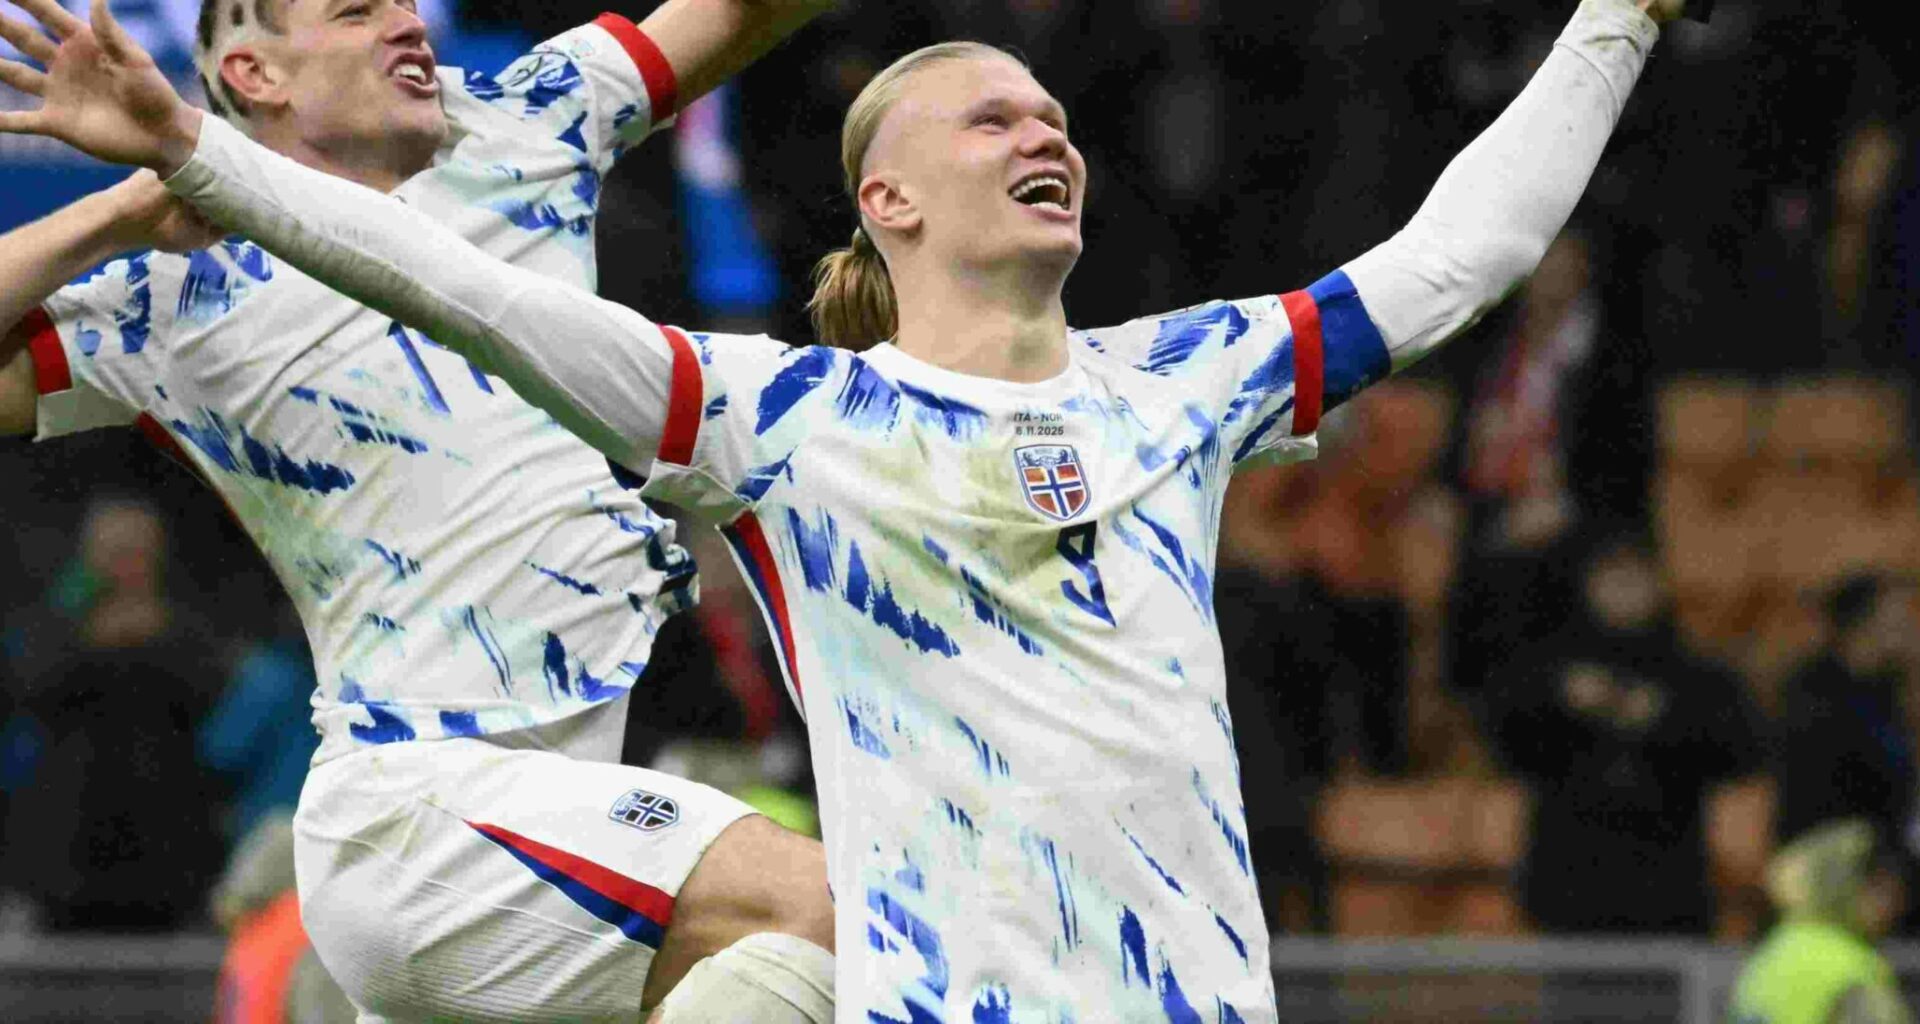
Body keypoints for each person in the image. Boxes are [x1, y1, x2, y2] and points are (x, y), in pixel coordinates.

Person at [0, 0, 1693, 1016]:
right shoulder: (786, 423)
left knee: (777, 972)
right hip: (440, 800)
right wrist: (185, 170)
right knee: (812, 924)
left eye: (1052, 113)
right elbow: (464, 297)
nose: (1041, 128)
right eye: (990, 111)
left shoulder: (1183, 383)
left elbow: (1456, 258)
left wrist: (1616, 18)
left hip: (1173, 993)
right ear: (887, 195)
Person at [0, 0, 839, 1020]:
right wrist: (113, 214)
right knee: (840, 917)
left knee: (795, 972)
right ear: (258, 76)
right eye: (358, 11)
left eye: (404, 3)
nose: (407, 23)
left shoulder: (524, 118)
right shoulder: (179, 292)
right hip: (419, 816)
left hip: (559, 825)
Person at [1482, 524, 1763, 934]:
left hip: (1667, 890)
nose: (1623, 590)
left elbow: (1743, 752)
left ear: (1659, 584)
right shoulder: (1548, 669)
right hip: (1569, 890)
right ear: (1587, 585)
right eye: (1610, 577)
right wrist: (1560, 702)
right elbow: (1504, 743)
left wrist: (1661, 719)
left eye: (1635, 576)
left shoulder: (1695, 676)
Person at [1728, 819, 1915, 1024]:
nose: (1895, 906)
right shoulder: (1851, 968)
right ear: (1847, 888)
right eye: (1881, 889)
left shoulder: (1769, 955)